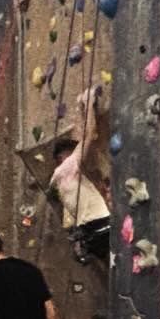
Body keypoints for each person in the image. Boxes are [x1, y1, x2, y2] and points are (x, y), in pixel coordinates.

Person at [51, 83, 111, 266]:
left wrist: (80, 109)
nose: (80, 154)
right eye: (74, 152)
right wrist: (89, 102)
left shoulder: (57, 180)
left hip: (90, 232)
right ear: (64, 157)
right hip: (101, 225)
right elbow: (89, 134)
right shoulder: (67, 168)